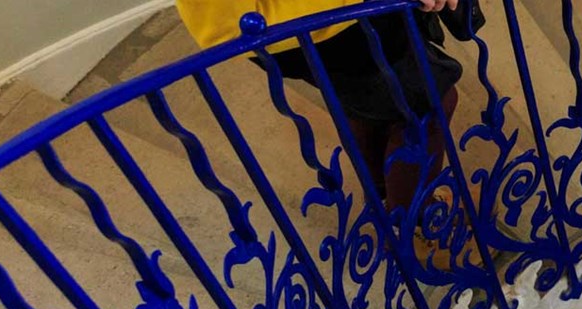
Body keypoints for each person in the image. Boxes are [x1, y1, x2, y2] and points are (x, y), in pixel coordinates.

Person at [173, 0, 483, 210]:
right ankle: (416, 229)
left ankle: (386, 196)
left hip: (298, 22)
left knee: (368, 98)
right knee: (428, 105)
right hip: (304, 21)